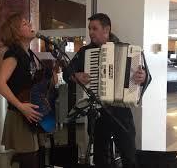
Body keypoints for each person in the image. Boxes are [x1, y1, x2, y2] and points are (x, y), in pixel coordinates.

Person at [63, 13, 151, 168]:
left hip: (121, 112)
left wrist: (142, 77)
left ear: (106, 30)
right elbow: (66, 73)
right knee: (100, 157)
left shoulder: (129, 50)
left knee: (129, 154)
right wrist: (75, 75)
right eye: (90, 28)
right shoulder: (85, 52)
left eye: (94, 28)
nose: (90, 32)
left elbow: (146, 75)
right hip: (97, 112)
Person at [0, 12, 50, 168]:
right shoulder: (13, 53)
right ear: (16, 32)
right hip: (20, 113)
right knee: (29, 159)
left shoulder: (28, 54)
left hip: (30, 113)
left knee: (33, 157)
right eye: (25, 24)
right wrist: (21, 106)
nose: (30, 25)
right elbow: (0, 84)